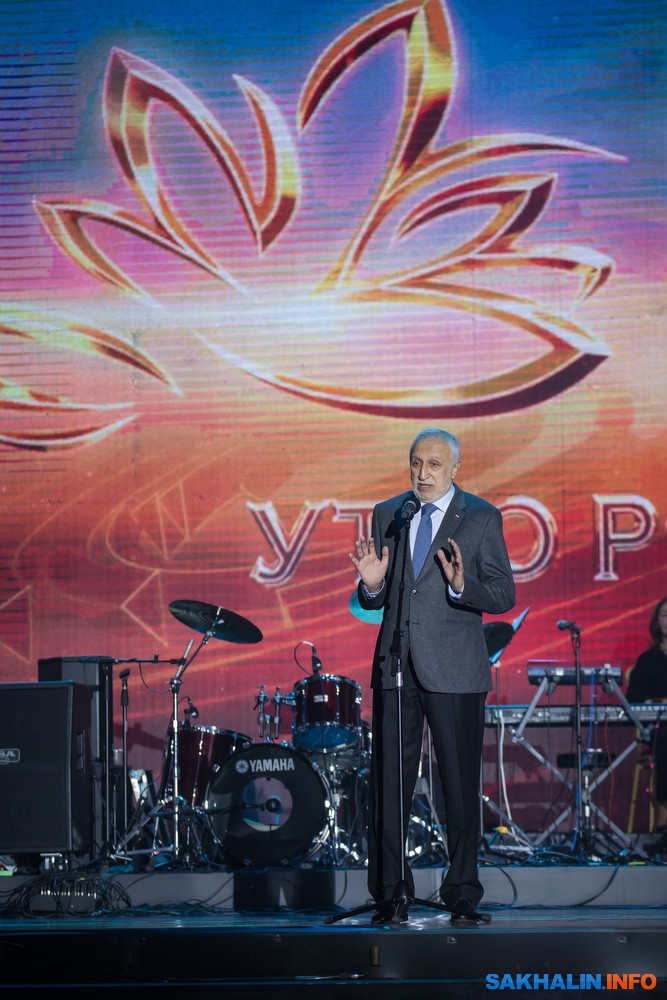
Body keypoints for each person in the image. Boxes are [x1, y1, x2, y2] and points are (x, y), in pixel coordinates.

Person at [349, 428, 515, 923]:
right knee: (389, 787)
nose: (423, 474)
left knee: (458, 786)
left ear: (455, 469)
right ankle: (391, 893)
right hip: (396, 666)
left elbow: (503, 594)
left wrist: (463, 585)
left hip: (456, 669)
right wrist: (371, 587)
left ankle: (461, 891)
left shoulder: (481, 517)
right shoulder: (390, 514)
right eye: (416, 463)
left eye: (434, 465)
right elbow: (379, 595)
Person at [627, 596, 667, 831]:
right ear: (657, 622)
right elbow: (635, 701)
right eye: (665, 615)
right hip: (658, 731)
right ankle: (663, 820)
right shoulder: (647, 660)